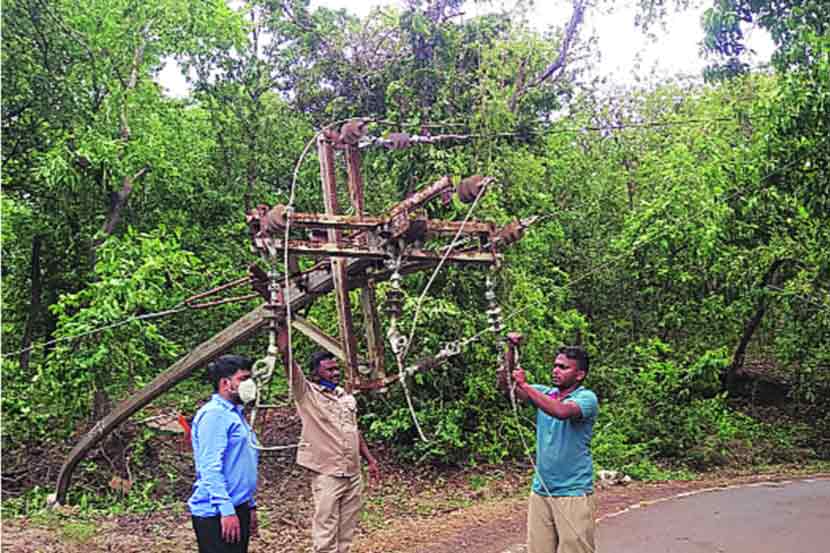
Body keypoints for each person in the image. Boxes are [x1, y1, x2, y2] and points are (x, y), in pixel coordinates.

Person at [277, 325, 380, 553]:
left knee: (347, 529)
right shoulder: (307, 394)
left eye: (336, 369)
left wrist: (370, 460)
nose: (335, 373)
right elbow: (288, 360)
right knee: (326, 529)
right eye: (329, 370)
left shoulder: (344, 396)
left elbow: (354, 430)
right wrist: (282, 326)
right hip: (327, 473)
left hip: (353, 472)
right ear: (315, 374)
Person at [499, 345, 599, 553]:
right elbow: (505, 384)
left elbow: (562, 411)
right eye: (555, 365)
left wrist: (525, 386)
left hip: (573, 492)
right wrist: (511, 349)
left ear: (580, 374)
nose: (556, 370)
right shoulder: (545, 393)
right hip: (541, 491)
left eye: (563, 367)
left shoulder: (587, 399)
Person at [188, 354, 259, 553]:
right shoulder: (214, 415)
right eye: (243, 379)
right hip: (216, 512)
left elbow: (241, 463)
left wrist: (250, 505)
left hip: (237, 505)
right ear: (225, 383)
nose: (249, 384)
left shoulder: (235, 413)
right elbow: (210, 468)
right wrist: (226, 511)